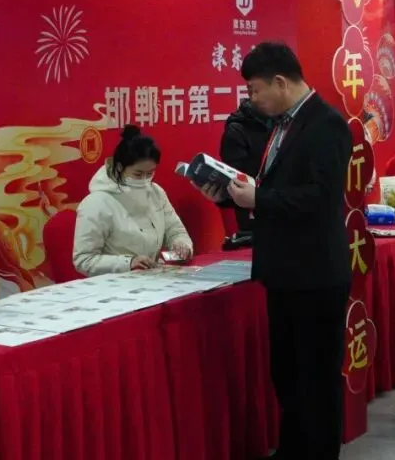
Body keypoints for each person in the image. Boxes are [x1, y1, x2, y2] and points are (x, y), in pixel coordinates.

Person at [197, 42, 351, 459]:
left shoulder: (326, 125)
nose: (251, 99)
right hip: (284, 271)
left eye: (254, 90)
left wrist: (259, 198)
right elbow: (274, 188)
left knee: (316, 379)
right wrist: (228, 194)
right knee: (287, 373)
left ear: (280, 82)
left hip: (315, 272)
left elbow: (319, 197)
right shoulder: (280, 125)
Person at [72, 125, 193, 276]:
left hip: (152, 278)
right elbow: (84, 259)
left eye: (150, 173)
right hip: (115, 283)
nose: (144, 180)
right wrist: (129, 263)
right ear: (120, 167)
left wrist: (181, 244)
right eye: (138, 174)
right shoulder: (96, 203)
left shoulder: (156, 193)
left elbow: (175, 230)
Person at [219, 98, 272, 241]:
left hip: (280, 208)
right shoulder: (238, 129)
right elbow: (233, 180)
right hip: (251, 213)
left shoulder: (283, 122)